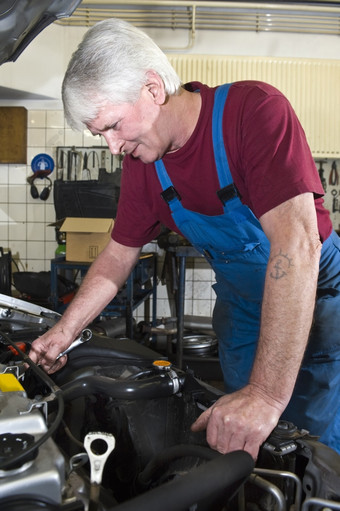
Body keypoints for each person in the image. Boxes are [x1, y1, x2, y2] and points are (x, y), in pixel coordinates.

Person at [29, 18, 340, 459]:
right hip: (243, 310)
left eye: (113, 126)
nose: (112, 147)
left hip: (316, 298)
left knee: (312, 449)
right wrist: (62, 334)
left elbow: (297, 245)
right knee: (243, 443)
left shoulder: (254, 112)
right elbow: (117, 257)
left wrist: (267, 396)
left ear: (153, 89)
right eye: (101, 135)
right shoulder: (144, 165)